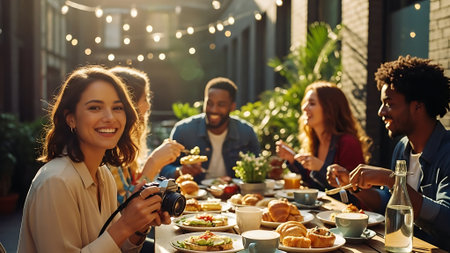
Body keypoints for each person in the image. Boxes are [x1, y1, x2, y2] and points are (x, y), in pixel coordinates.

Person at [17, 66, 171, 252]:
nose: (109, 117)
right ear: (71, 118)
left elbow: (118, 248)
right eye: (95, 107)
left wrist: (139, 226)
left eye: (117, 108)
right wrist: (125, 225)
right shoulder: (56, 182)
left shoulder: (103, 174)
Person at [327, 56, 450, 250]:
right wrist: (355, 186)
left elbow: (446, 219)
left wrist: (393, 180)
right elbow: (387, 203)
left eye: (389, 103)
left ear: (418, 105)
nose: (380, 111)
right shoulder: (402, 147)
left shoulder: (447, 152)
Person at [276, 81, 372, 197]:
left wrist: (321, 168)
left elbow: (354, 193)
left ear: (329, 109)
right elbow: (311, 182)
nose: (304, 108)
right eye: (305, 103)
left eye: (311, 103)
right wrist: (291, 159)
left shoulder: (348, 143)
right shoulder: (314, 141)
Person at [159, 77, 261, 183]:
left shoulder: (246, 132)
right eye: (209, 103)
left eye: (221, 104)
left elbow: (258, 167)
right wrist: (180, 171)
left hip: (235, 195)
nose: (213, 110)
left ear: (232, 107)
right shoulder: (183, 130)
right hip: (194, 195)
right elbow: (163, 170)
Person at [109, 66, 184, 204]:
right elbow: (124, 206)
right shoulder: (109, 149)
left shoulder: (122, 144)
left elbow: (131, 185)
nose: (148, 106)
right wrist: (153, 162)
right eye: (145, 99)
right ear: (130, 104)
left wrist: (159, 161)